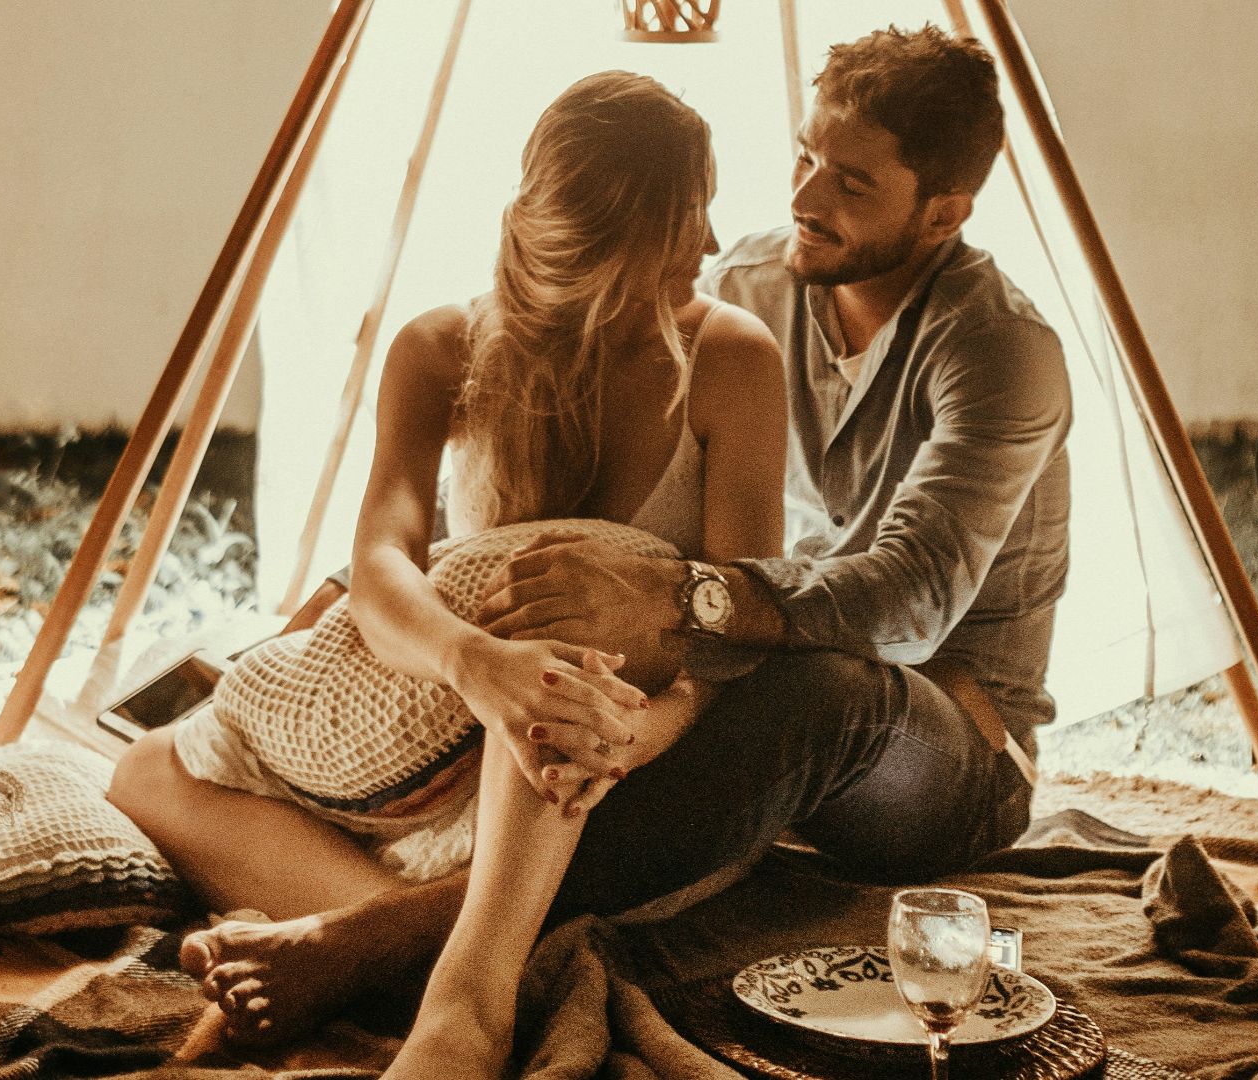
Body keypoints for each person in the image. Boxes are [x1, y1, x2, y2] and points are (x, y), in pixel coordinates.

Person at [124, 21, 1074, 1073]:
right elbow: (519, 475)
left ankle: (396, 946)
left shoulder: (1001, 351)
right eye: (804, 157)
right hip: (727, 699)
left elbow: (911, 598)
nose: (803, 198)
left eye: (851, 183)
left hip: (941, 732)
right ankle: (466, 940)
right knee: (582, 666)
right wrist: (384, 601)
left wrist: (678, 602)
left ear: (942, 213)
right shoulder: (751, 282)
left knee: (822, 681)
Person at [108, 70, 787, 1076]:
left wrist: (623, 733)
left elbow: (737, 629)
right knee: (145, 769)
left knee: (564, 612)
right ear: (617, 247)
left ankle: (462, 1009)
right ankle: (439, 946)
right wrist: (474, 666)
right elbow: (379, 563)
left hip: (593, 771)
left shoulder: (731, 359)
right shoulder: (438, 349)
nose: (717, 244)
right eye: (694, 215)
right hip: (441, 735)